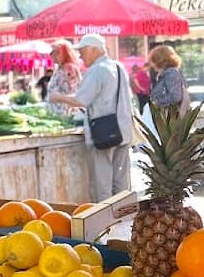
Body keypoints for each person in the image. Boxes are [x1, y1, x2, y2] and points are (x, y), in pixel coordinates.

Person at [51, 33, 134, 201]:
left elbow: (81, 100)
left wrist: (58, 97)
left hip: (103, 133)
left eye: (83, 51)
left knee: (102, 185)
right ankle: (125, 214)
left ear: (94, 50)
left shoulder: (97, 70)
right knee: (122, 183)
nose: (80, 56)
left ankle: (105, 216)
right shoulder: (118, 67)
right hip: (123, 130)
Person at [45, 40, 82, 115]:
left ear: (63, 53)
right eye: (51, 53)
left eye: (54, 52)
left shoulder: (69, 69)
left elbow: (73, 91)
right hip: (58, 111)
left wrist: (57, 97)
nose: (51, 55)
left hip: (65, 112)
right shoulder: (60, 67)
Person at [148, 44, 188, 113]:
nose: (152, 64)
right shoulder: (167, 73)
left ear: (159, 60)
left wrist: (155, 102)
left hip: (170, 116)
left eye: (153, 60)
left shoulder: (171, 72)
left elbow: (175, 97)